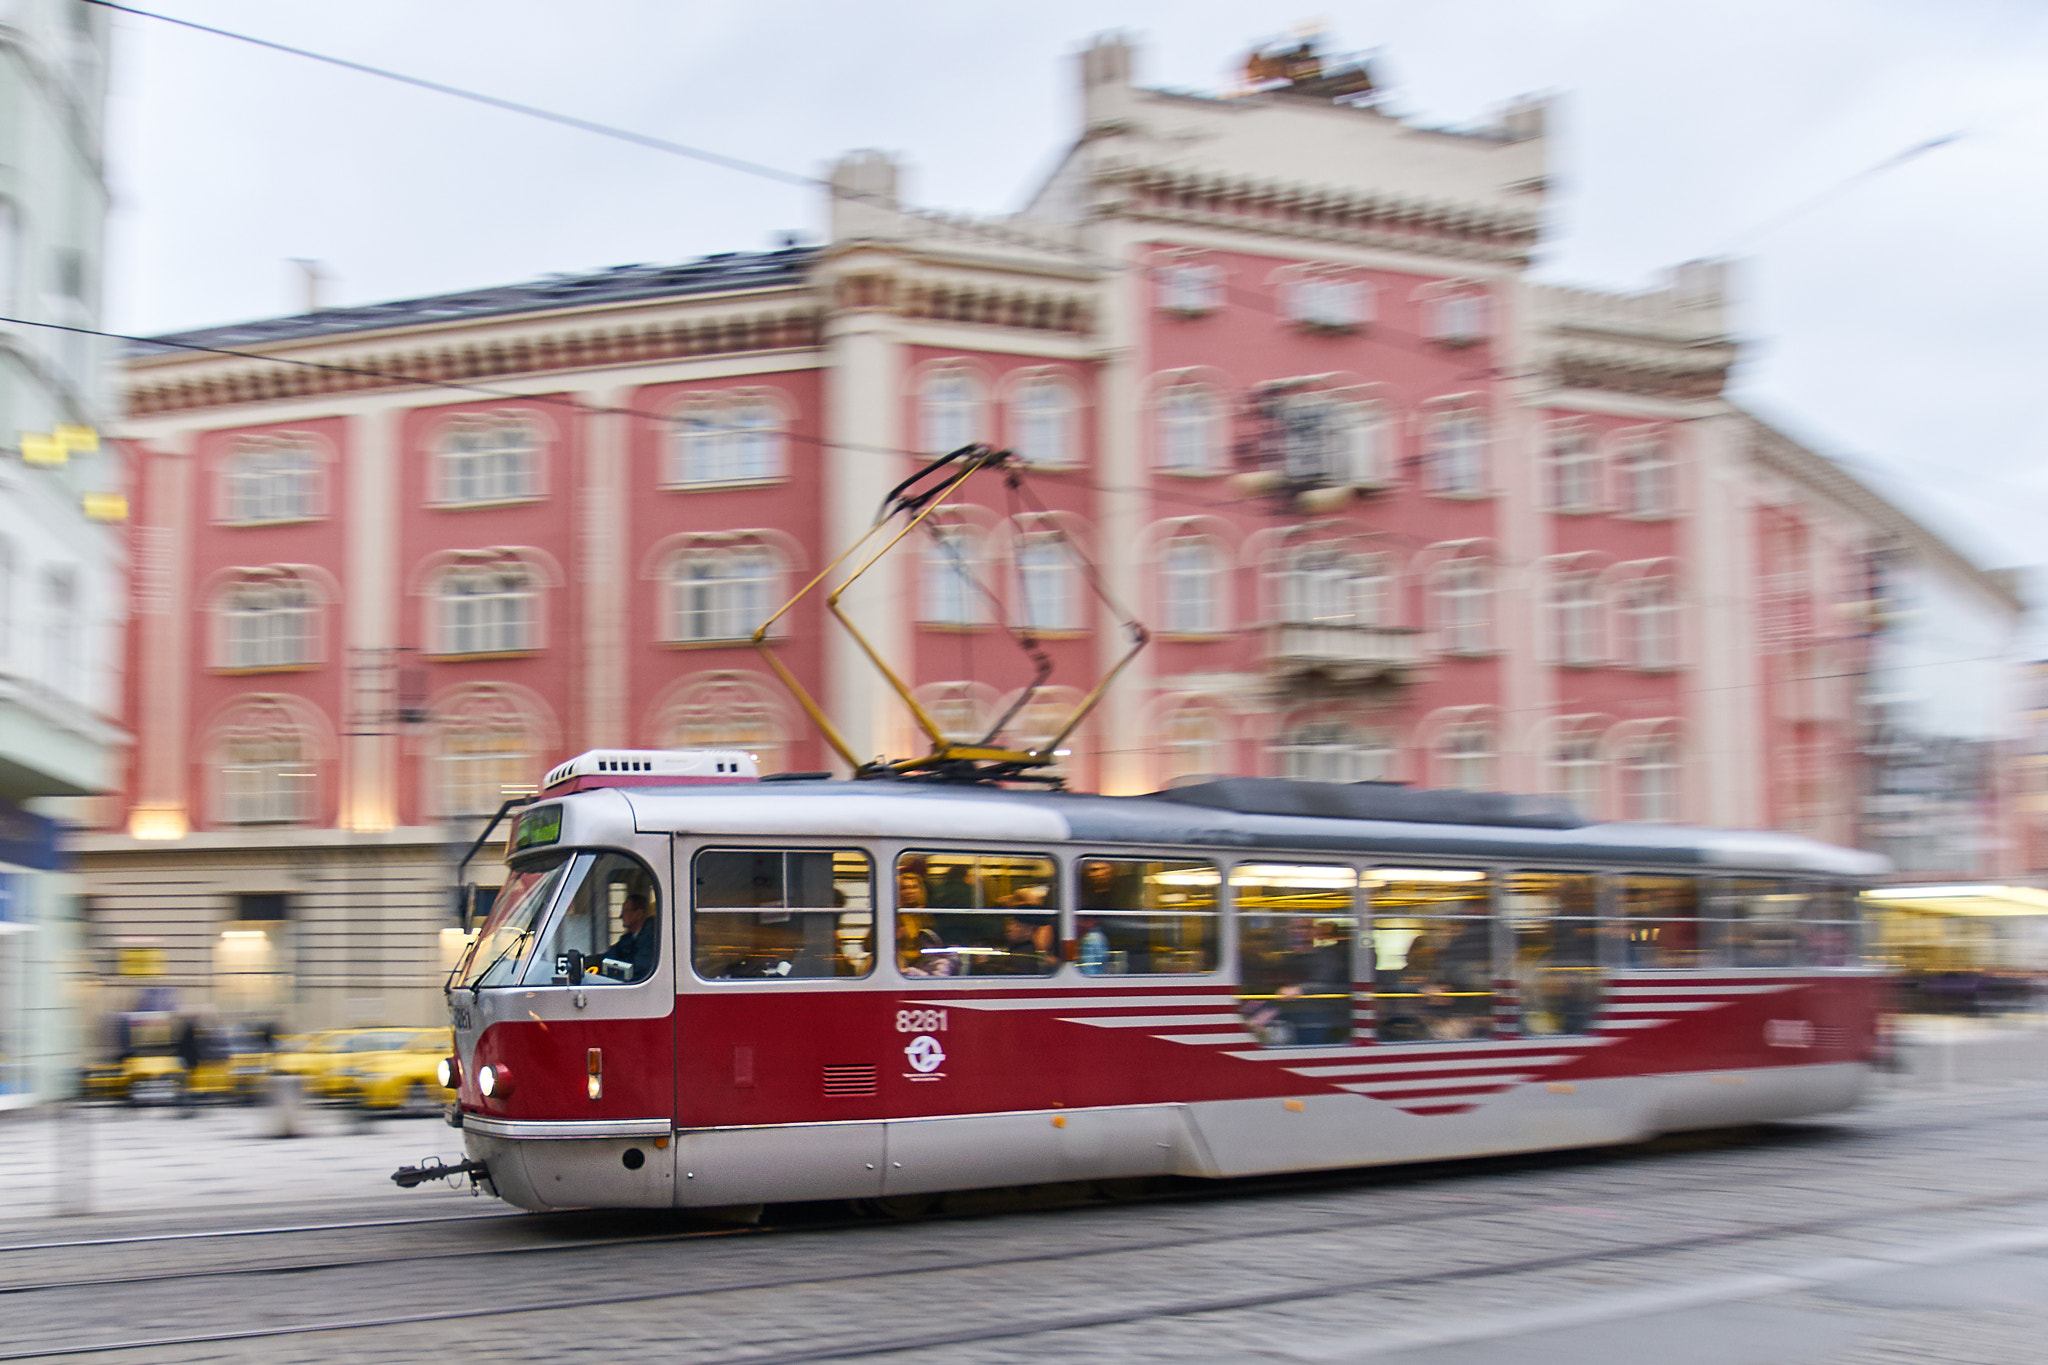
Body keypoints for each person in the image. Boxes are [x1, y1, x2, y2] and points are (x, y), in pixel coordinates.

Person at [599, 892, 658, 982]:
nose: (621, 916)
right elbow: (608, 957)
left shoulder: (651, 940)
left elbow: (637, 971)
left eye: (625, 911)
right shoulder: (627, 939)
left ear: (639, 914)